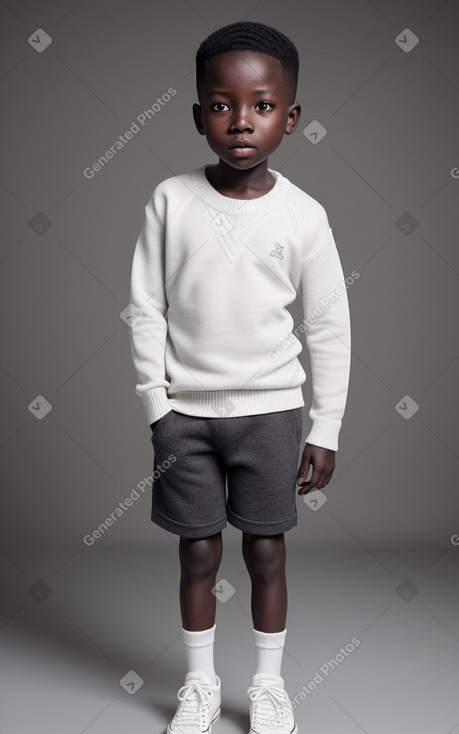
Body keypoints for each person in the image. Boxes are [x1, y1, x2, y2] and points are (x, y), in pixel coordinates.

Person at [128, 20, 351, 734]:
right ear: (199, 116)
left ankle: (266, 686)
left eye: (259, 105)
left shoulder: (304, 216)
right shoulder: (170, 200)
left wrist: (325, 427)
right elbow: (144, 311)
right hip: (184, 420)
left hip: (272, 416)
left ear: (289, 117)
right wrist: (158, 409)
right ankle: (198, 685)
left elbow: (327, 326)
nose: (240, 120)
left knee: (265, 551)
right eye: (221, 105)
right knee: (197, 551)